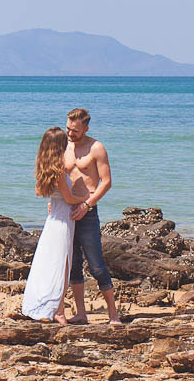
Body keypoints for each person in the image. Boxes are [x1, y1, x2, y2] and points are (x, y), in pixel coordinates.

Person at [22, 127, 89, 322]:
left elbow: (39, 193)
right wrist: (87, 197)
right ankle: (58, 310)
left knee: (50, 262)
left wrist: (55, 198)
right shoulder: (59, 170)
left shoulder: (44, 168)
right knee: (62, 264)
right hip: (63, 219)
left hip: (53, 219)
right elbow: (69, 197)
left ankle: (51, 306)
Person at [64, 107, 121, 324]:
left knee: (96, 265)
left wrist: (88, 204)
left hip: (87, 211)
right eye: (68, 128)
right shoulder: (63, 146)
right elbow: (56, 177)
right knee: (73, 265)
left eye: (75, 131)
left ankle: (113, 314)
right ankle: (80, 313)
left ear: (85, 128)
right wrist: (53, 200)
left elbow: (106, 182)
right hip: (66, 211)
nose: (70, 134)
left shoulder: (96, 148)